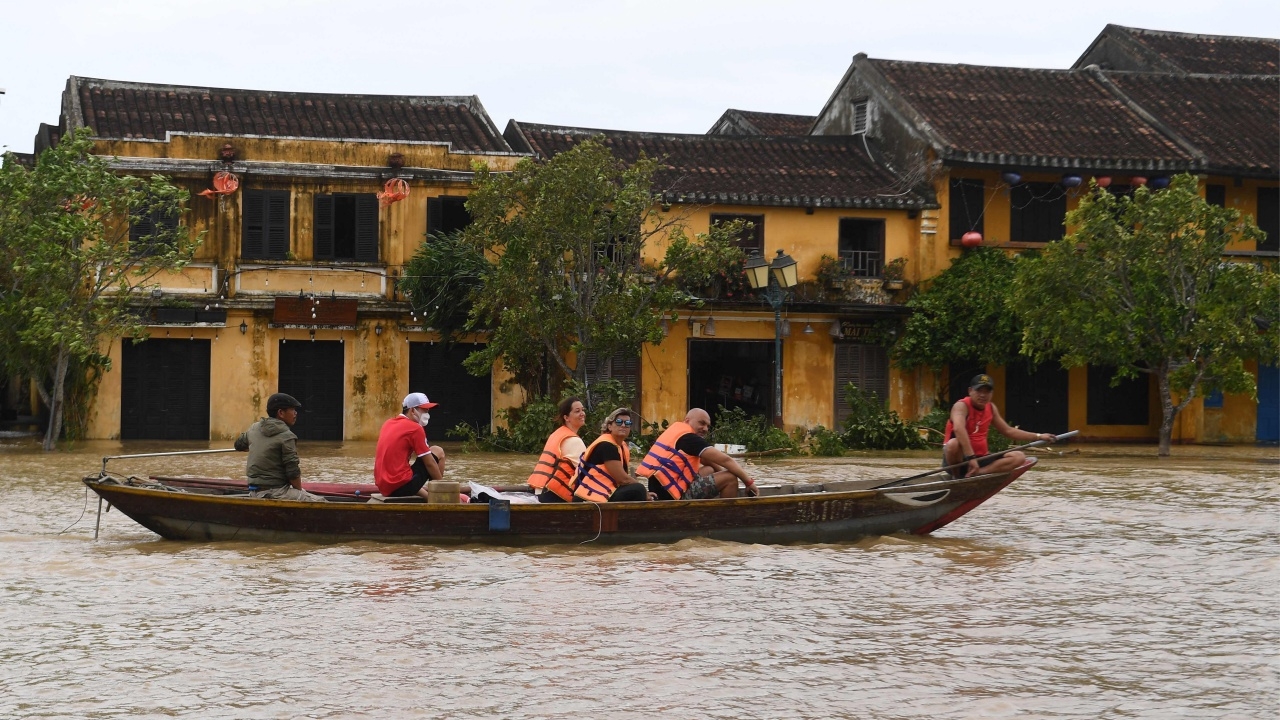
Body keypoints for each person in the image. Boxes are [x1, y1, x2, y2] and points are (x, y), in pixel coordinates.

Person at [943, 374, 1056, 478]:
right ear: (970, 391)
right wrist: (971, 458)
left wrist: (1039, 436)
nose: (983, 395)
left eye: (987, 392)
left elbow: (1008, 431)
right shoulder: (961, 406)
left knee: (1019, 457)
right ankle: (956, 477)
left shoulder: (990, 408)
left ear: (991, 394)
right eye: (979, 391)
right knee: (953, 444)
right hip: (959, 460)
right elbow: (958, 428)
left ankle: (978, 473)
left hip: (982, 459)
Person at [638, 408, 758, 500]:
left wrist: (719, 472)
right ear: (687, 421)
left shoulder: (676, 433)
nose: (705, 428)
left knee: (710, 469)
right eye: (701, 423)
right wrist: (749, 482)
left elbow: (706, 459)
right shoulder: (689, 439)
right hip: (673, 496)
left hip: (661, 490)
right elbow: (727, 460)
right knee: (730, 478)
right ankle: (723, 519)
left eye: (707, 426)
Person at [233, 392, 326, 502]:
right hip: (276, 492)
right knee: (322, 501)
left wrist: (256, 446)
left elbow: (238, 445)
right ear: (281, 413)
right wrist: (299, 492)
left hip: (254, 492)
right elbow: (292, 471)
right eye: (292, 410)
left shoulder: (254, 428)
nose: (296, 413)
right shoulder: (287, 436)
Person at [373, 392, 447, 499]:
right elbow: (429, 463)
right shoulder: (415, 428)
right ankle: (439, 495)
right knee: (437, 451)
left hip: (384, 487)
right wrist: (446, 491)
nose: (427, 414)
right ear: (412, 410)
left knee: (406, 471)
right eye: (424, 410)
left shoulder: (388, 423)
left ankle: (429, 495)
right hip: (401, 486)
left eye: (428, 410)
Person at [570, 407, 652, 503]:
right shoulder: (607, 446)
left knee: (639, 490)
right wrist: (645, 492)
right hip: (588, 498)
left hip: (604, 494)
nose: (623, 425)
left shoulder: (621, 446)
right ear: (609, 426)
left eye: (627, 423)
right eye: (618, 422)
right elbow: (623, 479)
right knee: (638, 489)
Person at [531, 397, 588, 503]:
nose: (582, 413)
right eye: (577, 411)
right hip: (552, 495)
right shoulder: (574, 441)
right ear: (566, 418)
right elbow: (587, 473)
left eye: (583, 410)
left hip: (540, 491)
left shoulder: (556, 434)